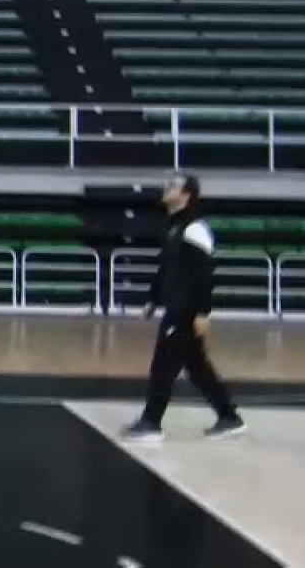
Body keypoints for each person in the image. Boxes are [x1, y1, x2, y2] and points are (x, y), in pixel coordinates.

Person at [122, 174, 246, 443]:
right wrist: (153, 299)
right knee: (198, 368)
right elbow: (166, 268)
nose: (166, 188)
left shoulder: (195, 228)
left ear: (186, 195)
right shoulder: (174, 227)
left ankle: (151, 422)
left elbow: (204, 273)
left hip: (185, 309)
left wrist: (203, 312)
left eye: (173, 186)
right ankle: (229, 416)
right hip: (176, 305)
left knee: (163, 364)